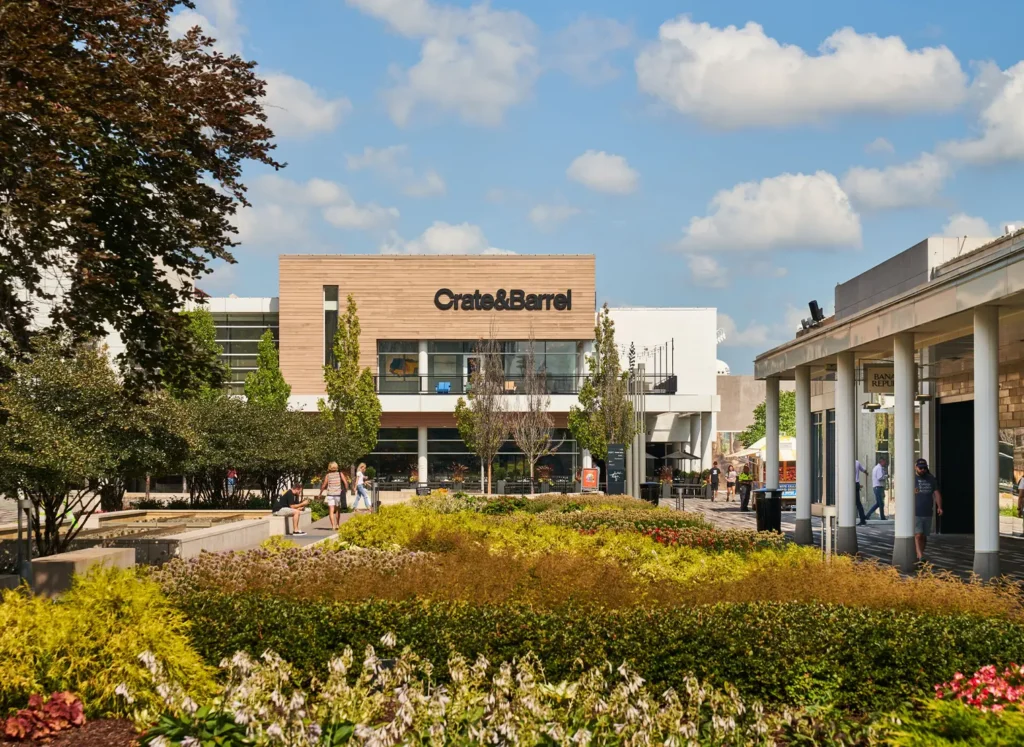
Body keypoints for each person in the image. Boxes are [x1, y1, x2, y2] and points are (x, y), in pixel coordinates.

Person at [913, 458, 943, 563]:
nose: (922, 470)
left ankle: (920, 553)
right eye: (920, 468)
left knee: (924, 536)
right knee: (918, 534)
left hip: (927, 512)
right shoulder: (912, 479)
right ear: (915, 467)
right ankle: (920, 556)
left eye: (924, 468)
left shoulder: (931, 479)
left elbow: (936, 493)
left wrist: (939, 507)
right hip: (915, 512)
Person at [318, 461, 350, 531]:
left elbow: (324, 485)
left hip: (330, 494)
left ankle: (333, 526)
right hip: (338, 494)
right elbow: (345, 482)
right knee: (338, 509)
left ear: (329, 467)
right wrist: (346, 490)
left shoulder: (328, 475)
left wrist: (320, 493)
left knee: (331, 510)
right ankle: (337, 524)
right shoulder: (340, 474)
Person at [854, 458, 869, 526]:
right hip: (856, 484)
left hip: (851, 484)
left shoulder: (847, 463)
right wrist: (867, 473)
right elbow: (863, 470)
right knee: (858, 503)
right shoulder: (857, 462)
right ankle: (862, 519)